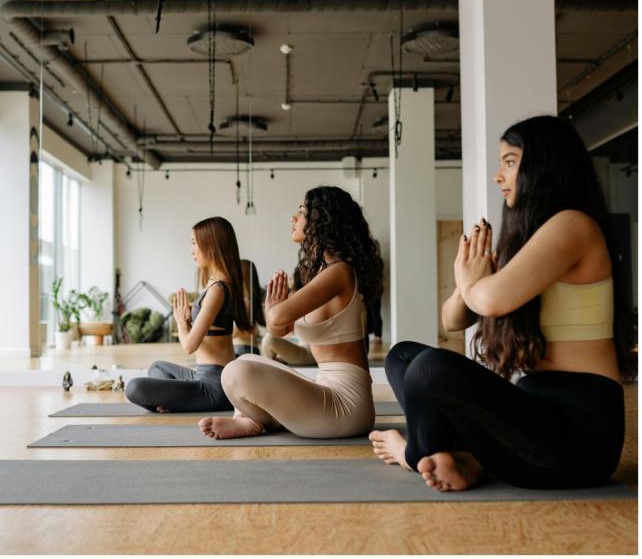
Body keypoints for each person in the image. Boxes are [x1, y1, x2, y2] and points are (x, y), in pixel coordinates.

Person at [370, 115, 631, 491]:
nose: (498, 176)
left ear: (544, 165)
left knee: (429, 368)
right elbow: (452, 320)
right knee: (404, 356)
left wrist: (472, 281)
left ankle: (417, 452)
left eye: (509, 162)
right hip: (532, 421)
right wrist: (466, 284)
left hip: (578, 439)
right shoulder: (535, 239)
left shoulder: (574, 225)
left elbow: (490, 301)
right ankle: (466, 460)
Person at [199, 186, 384, 439]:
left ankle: (257, 421)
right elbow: (278, 329)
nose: (293, 218)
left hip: (347, 407)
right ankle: (255, 420)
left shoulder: (339, 272)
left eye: (301, 212)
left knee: (235, 372)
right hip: (327, 389)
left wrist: (274, 310)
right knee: (245, 361)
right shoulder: (323, 272)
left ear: (322, 222)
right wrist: (272, 310)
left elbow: (276, 319)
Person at [125, 217, 253, 412]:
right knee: (157, 367)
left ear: (211, 244)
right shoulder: (217, 285)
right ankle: (169, 400)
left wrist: (181, 324)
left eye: (194, 243)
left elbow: (189, 346)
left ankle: (170, 401)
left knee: (134, 387)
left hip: (214, 387)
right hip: (201, 375)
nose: (191, 250)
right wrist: (187, 321)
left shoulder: (218, 289)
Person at [260, 267, 317, 366]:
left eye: (291, 277)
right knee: (268, 340)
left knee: (268, 340)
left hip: (308, 352)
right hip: (299, 345)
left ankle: (275, 365)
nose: (289, 279)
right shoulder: (295, 297)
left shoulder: (302, 298)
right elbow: (289, 330)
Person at [233, 260, 266, 357]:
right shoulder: (253, 299)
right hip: (252, 349)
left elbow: (236, 331)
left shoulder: (244, 301)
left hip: (240, 350)